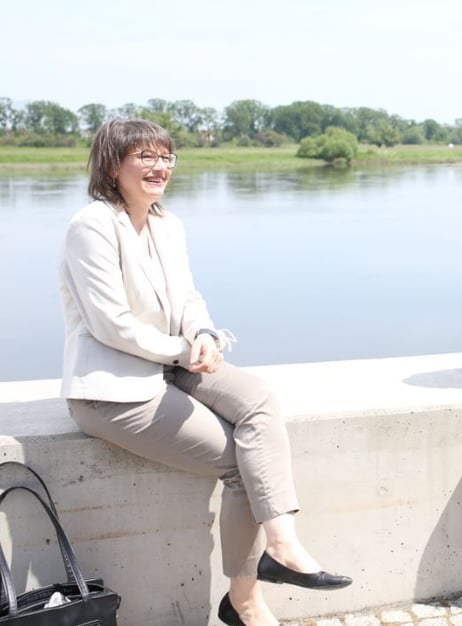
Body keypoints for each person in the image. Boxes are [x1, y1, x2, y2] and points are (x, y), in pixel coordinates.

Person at [59, 119, 351, 626]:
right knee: (242, 463)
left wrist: (205, 336)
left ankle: (282, 544)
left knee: (258, 398)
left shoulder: (168, 224)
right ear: (112, 165)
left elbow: (188, 298)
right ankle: (245, 601)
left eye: (167, 157)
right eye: (146, 156)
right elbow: (111, 325)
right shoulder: (92, 225)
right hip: (116, 389)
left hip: (174, 363)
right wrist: (182, 350)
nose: (160, 167)